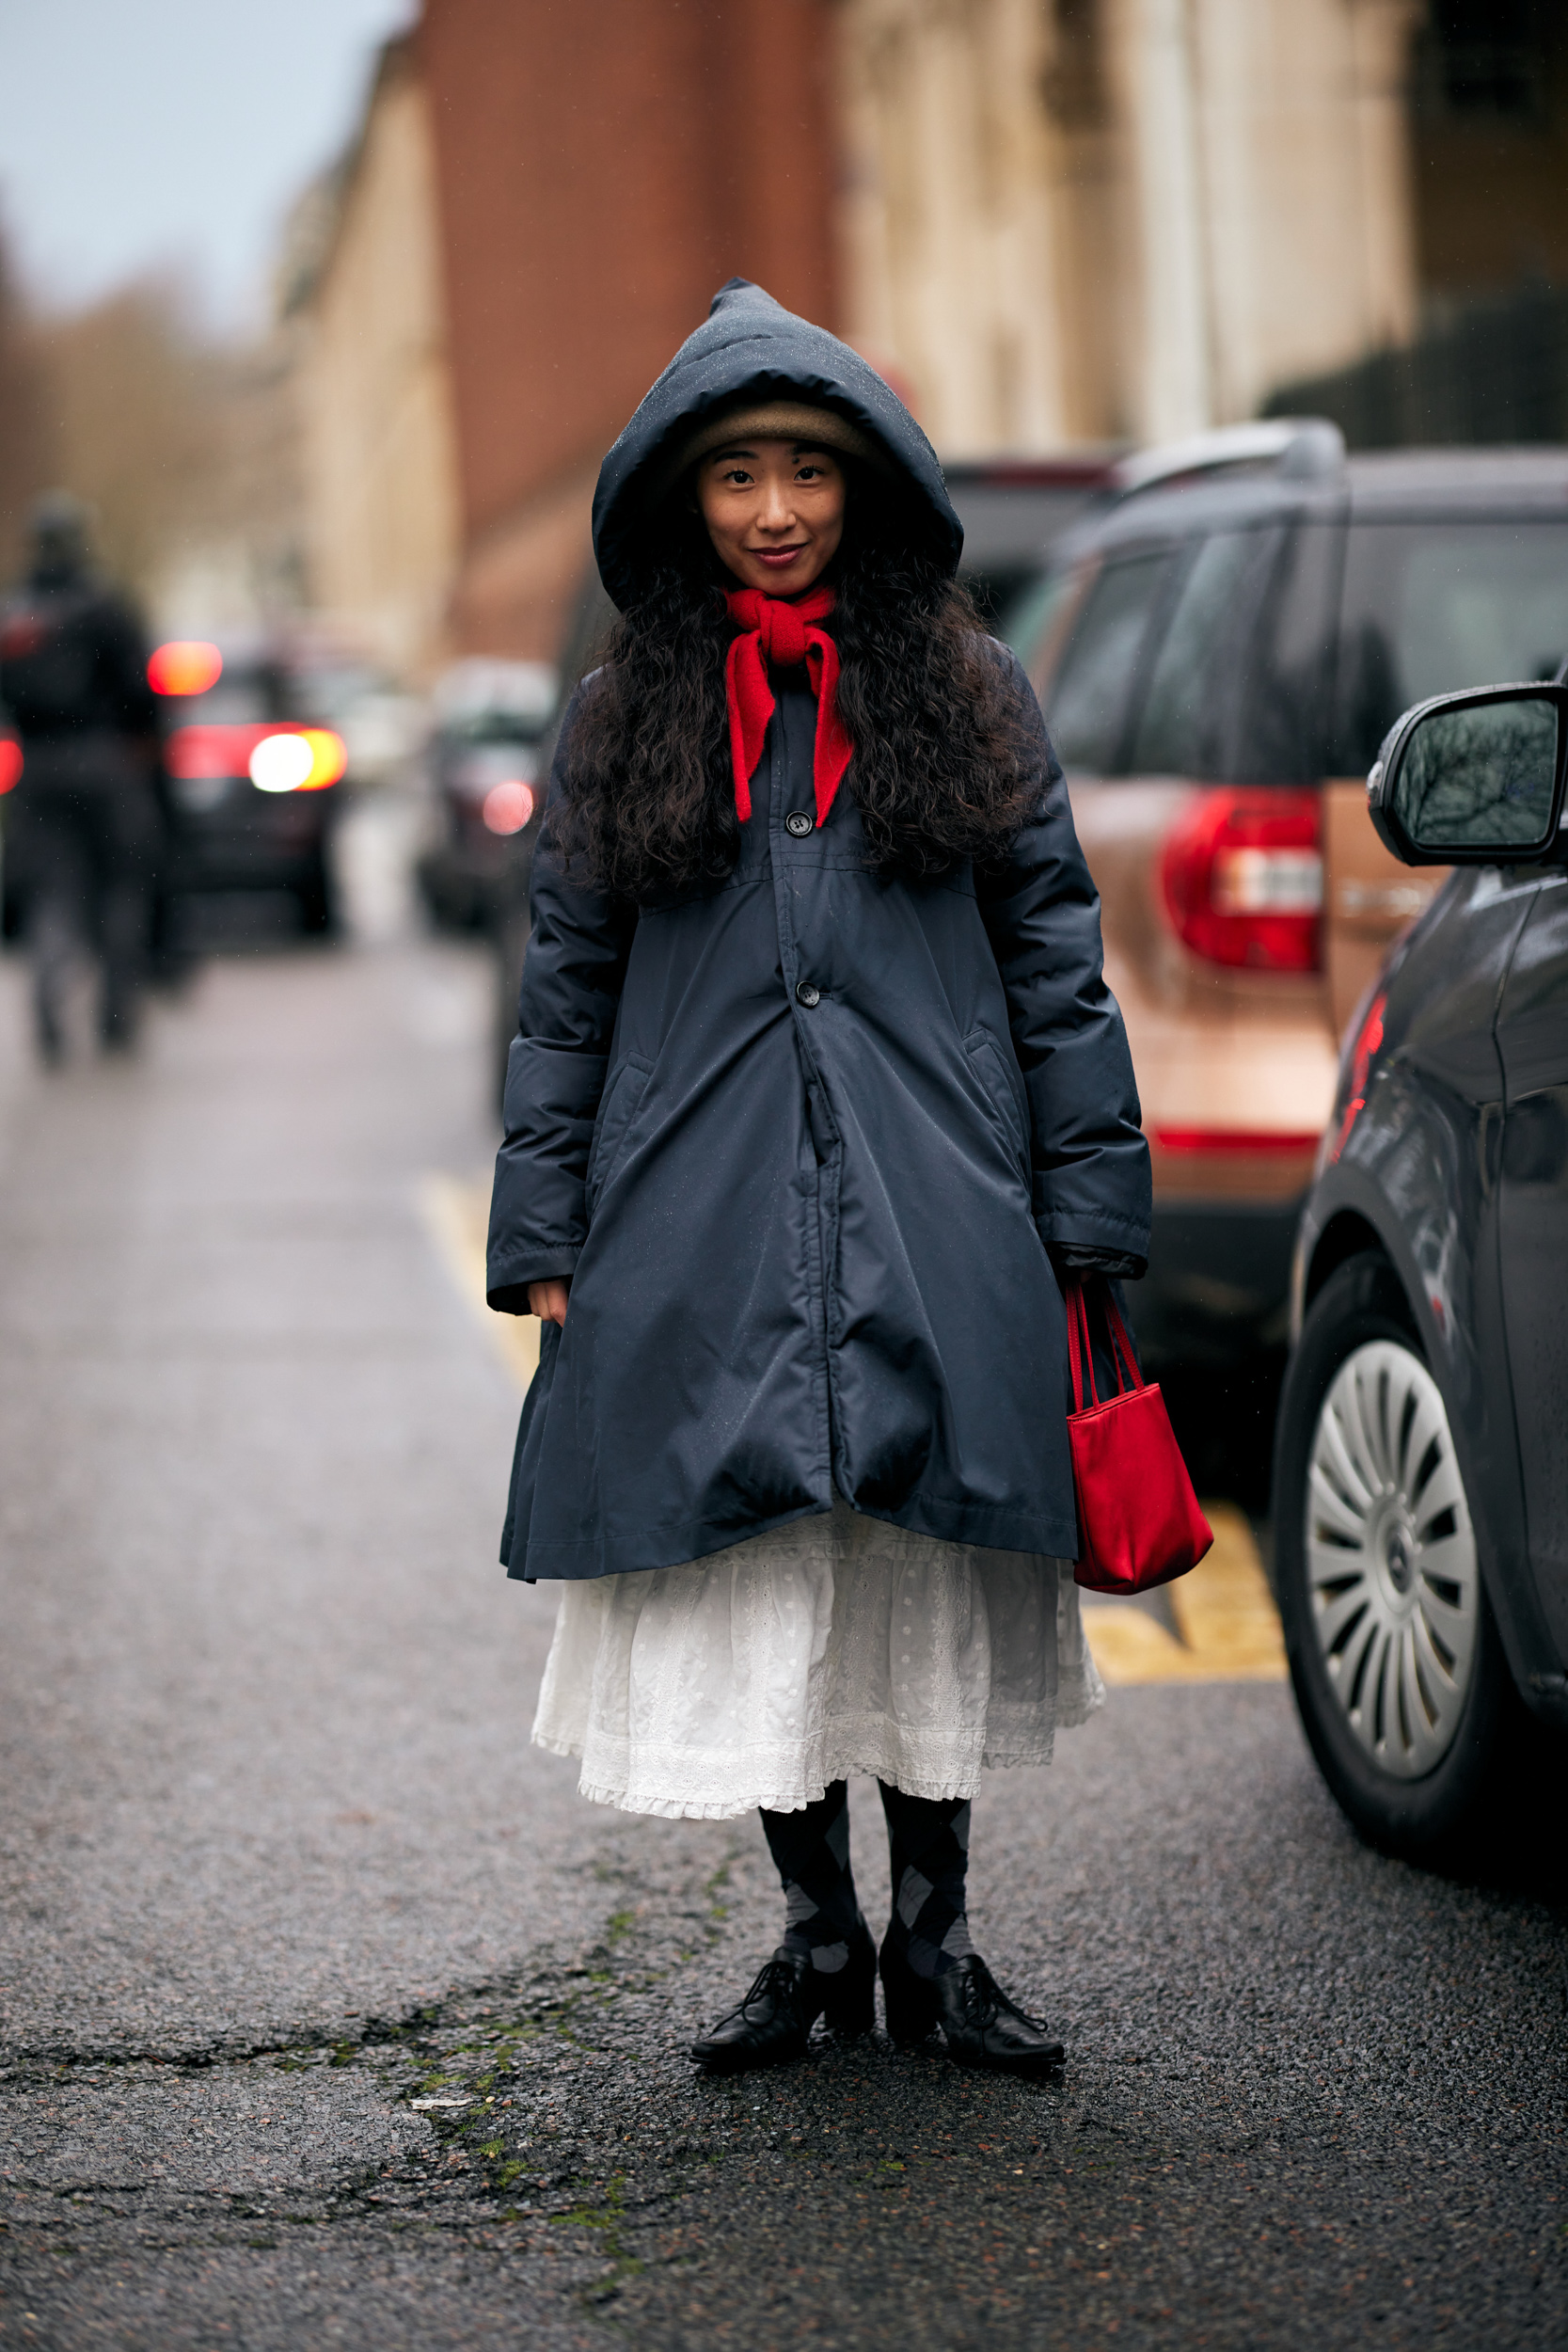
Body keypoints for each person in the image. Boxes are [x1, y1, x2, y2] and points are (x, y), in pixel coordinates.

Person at [486, 280, 1150, 2079]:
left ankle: (936, 1945)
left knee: (919, 1567)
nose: (773, 509)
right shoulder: (624, 715)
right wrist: (544, 1226)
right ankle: (814, 1941)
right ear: (677, 503)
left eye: (805, 470)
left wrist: (1086, 1205)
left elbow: (1052, 956)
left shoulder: (963, 687)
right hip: (693, 1220)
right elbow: (563, 993)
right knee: (766, 1576)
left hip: (942, 1199)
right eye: (731, 478)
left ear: (865, 486)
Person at [0, 493, 163, 1060]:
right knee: (120, 885)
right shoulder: (103, 605)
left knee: (53, 890)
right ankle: (116, 1013)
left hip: (37, 768)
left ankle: (48, 991)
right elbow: (142, 689)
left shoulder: (15, 614)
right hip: (104, 762)